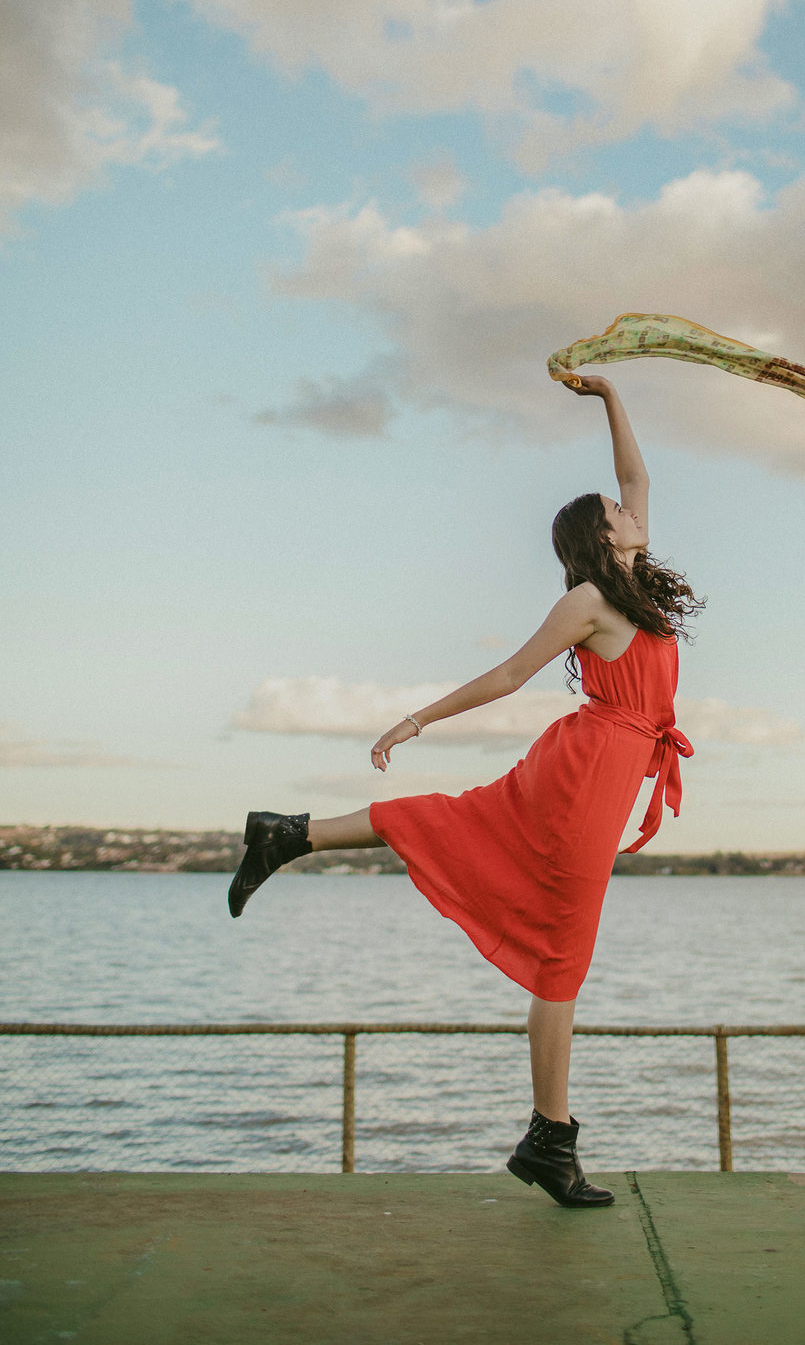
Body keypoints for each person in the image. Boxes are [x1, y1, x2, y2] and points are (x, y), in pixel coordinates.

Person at [227, 377, 702, 1208]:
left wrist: (612, 397)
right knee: (558, 955)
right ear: (600, 534)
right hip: (586, 774)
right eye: (615, 513)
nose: (631, 514)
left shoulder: (637, 587)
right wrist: (417, 718)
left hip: (606, 768)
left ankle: (289, 833)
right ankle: (550, 1142)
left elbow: (641, 481)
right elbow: (513, 672)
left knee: (511, 892)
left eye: (627, 513)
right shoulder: (589, 599)